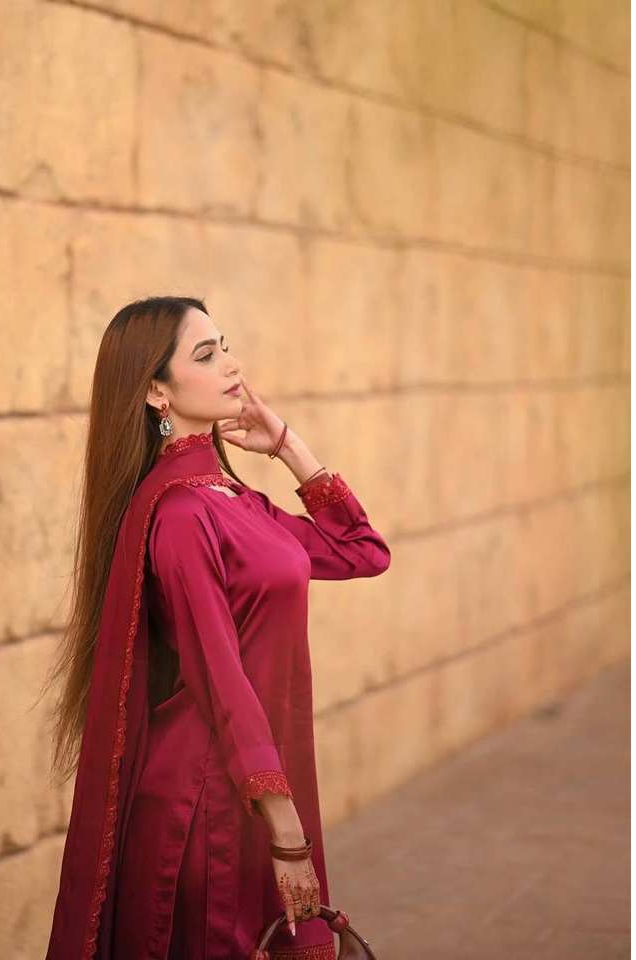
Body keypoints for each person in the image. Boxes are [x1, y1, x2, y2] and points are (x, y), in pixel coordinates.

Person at [42, 297, 391, 960]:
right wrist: (286, 832)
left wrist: (287, 446)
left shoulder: (234, 501)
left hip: (253, 793)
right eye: (206, 355)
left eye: (225, 346)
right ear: (156, 391)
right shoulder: (180, 514)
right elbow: (219, 676)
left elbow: (363, 553)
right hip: (206, 807)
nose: (231, 364)